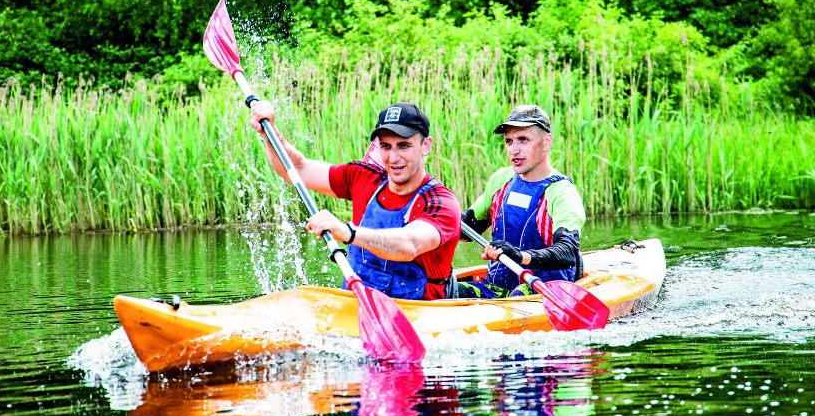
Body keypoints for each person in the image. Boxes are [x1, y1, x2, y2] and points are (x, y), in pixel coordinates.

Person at [249, 101, 461, 300]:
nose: (394, 158)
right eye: (386, 146)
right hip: (355, 304)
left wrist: (348, 232)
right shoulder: (364, 178)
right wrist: (270, 132)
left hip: (419, 312)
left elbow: (409, 244)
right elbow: (298, 168)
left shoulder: (440, 202)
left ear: (425, 146)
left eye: (403, 146)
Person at [458, 105, 585, 298]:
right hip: (497, 288)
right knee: (444, 289)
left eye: (523, 140)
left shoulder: (562, 192)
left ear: (546, 142)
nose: (514, 150)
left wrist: (521, 256)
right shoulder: (502, 179)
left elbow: (567, 252)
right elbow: (467, 228)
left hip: (546, 289)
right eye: (509, 141)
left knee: (519, 294)